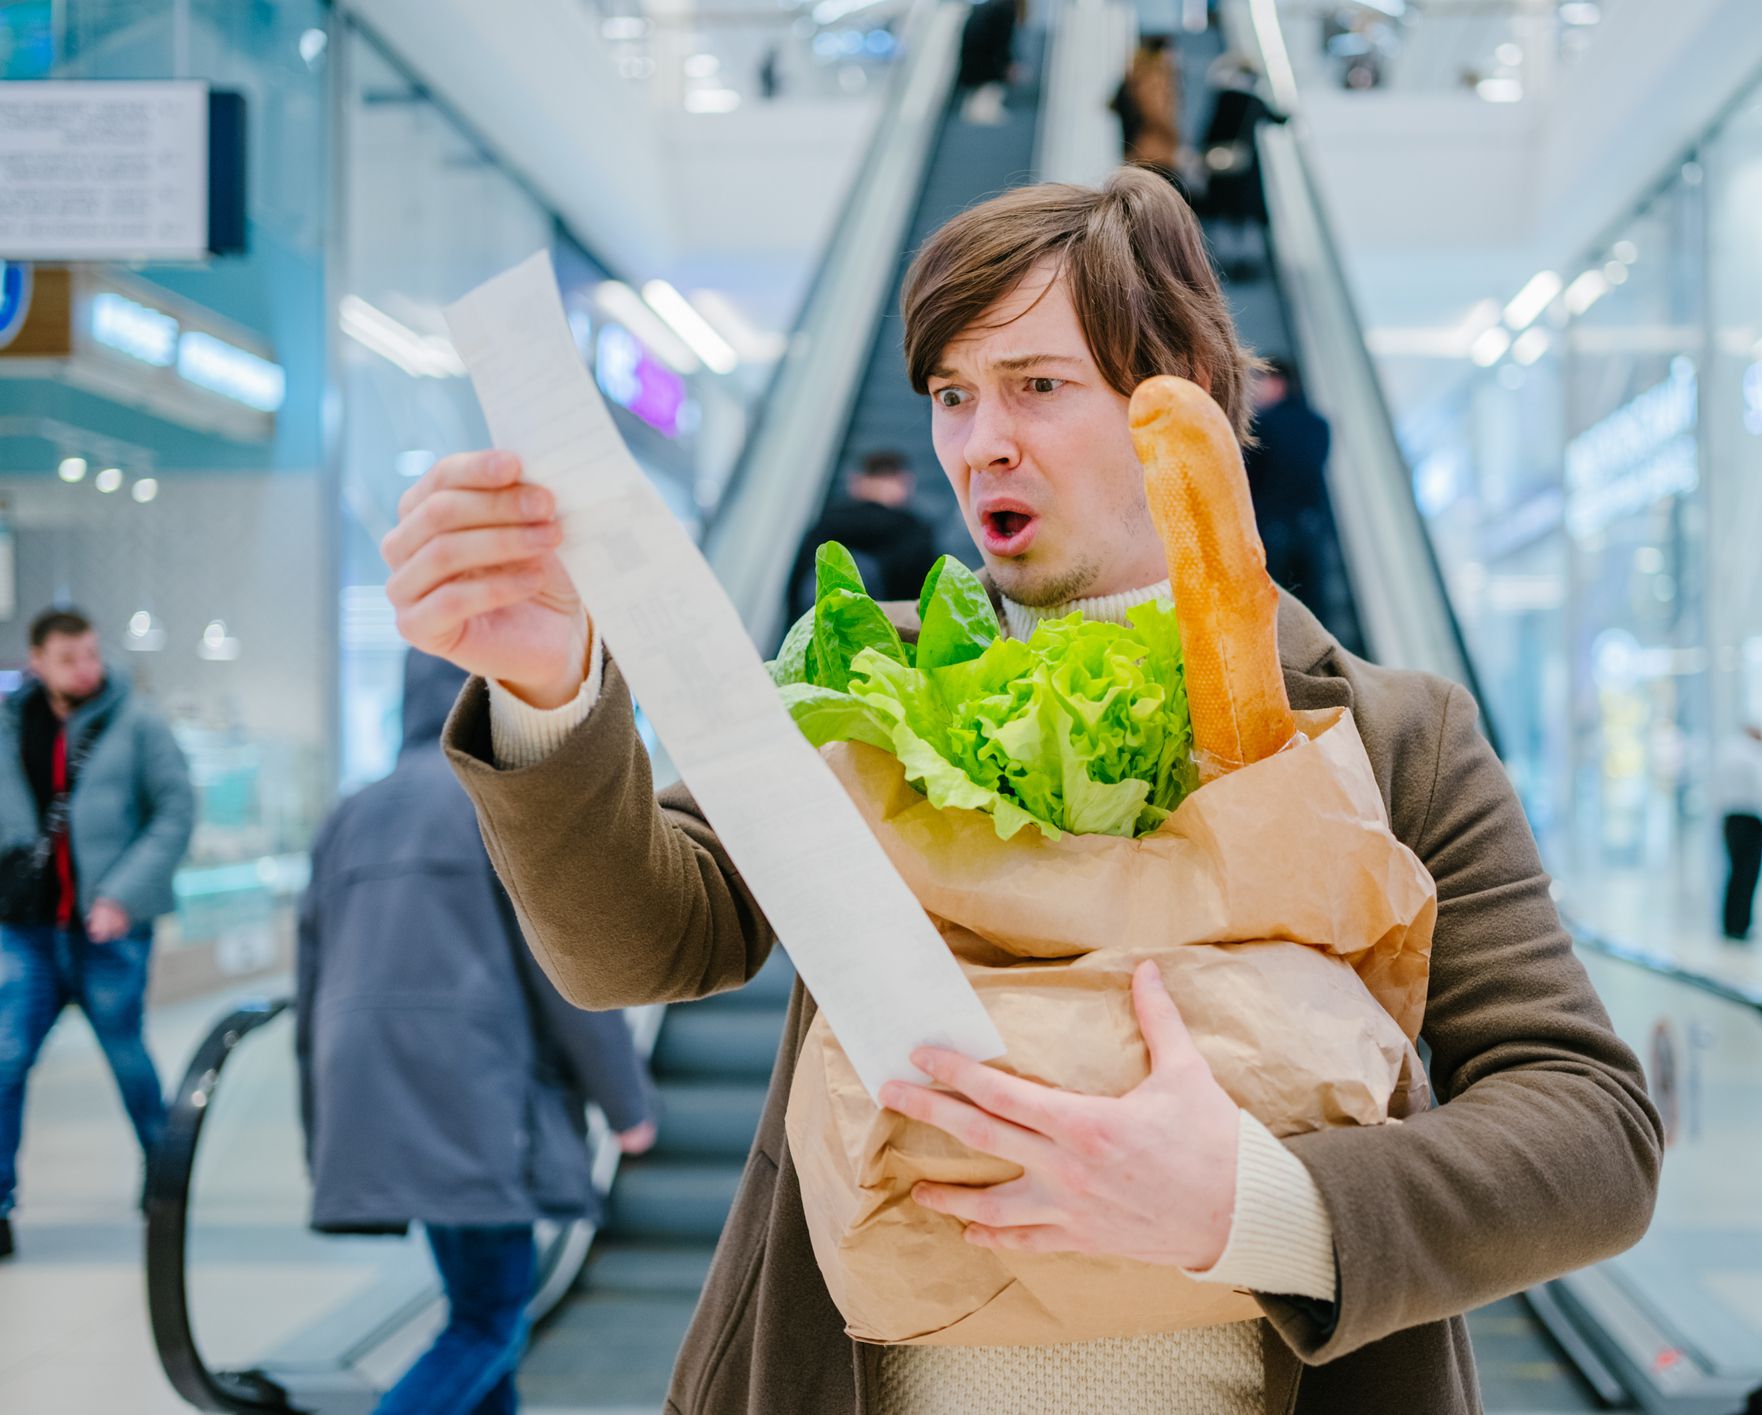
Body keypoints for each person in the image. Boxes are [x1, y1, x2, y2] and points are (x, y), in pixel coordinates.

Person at [383, 167, 1661, 1415]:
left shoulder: (1391, 734)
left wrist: (1257, 1206)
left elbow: (1591, 1130)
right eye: (952, 393)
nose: (981, 442)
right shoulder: (861, 679)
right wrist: (550, 686)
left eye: (1038, 387)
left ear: (1190, 400)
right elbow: (644, 943)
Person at [297, 650, 657, 1414]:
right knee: (487, 1322)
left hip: (371, 1090)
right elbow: (569, 972)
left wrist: (319, 1122)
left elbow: (309, 985)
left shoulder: (353, 812)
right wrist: (625, 1104)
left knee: (476, 1308)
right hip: (475, 1096)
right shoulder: (503, 800)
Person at [0, 607, 194, 1260]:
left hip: (107, 928)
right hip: (27, 928)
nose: (86, 667)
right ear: (37, 661)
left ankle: (168, 1180)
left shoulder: (136, 723)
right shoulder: (10, 724)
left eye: (90, 653)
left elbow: (175, 810)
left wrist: (121, 895)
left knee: (126, 1057)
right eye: (68, 658)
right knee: (6, 1058)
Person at [784, 451, 939, 628]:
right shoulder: (913, 532)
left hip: (820, 634)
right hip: (885, 643)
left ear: (856, 481)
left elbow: (794, 591)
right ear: (904, 482)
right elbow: (926, 599)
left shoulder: (826, 524)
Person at [1243, 358, 1331, 597]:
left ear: (1279, 383)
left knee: (1275, 601)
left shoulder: (1262, 426)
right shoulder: (1319, 425)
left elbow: (1250, 478)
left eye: (1260, 380)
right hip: (1311, 525)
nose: (1254, 390)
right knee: (1314, 601)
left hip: (1271, 529)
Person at [1193, 56, 1286, 278]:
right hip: (1245, 168)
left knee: (1224, 212)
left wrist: (1201, 159)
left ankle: (1225, 261)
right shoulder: (1252, 100)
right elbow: (1276, 117)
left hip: (1221, 168)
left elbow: (1209, 131)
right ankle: (1248, 261)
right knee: (1245, 214)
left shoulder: (1223, 96)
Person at [1717, 723, 1762, 941]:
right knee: (1748, 874)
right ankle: (1741, 926)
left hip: (1730, 818)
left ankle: (1729, 923)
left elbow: (1717, 789)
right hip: (1751, 819)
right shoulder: (1754, 755)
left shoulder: (1727, 753)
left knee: (1734, 873)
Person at [1111, 35, 1184, 179]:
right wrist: (1175, 136)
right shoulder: (1153, 76)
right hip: (1154, 152)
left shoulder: (1134, 74)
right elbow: (1155, 112)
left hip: (1136, 151)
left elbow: (1112, 105)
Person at [956, 0, 1018, 125]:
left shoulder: (988, 8)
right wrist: (1007, 64)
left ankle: (976, 112)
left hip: (972, 58)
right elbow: (1001, 42)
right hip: (985, 61)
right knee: (989, 91)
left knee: (980, 93)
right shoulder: (1005, 9)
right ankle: (984, 114)